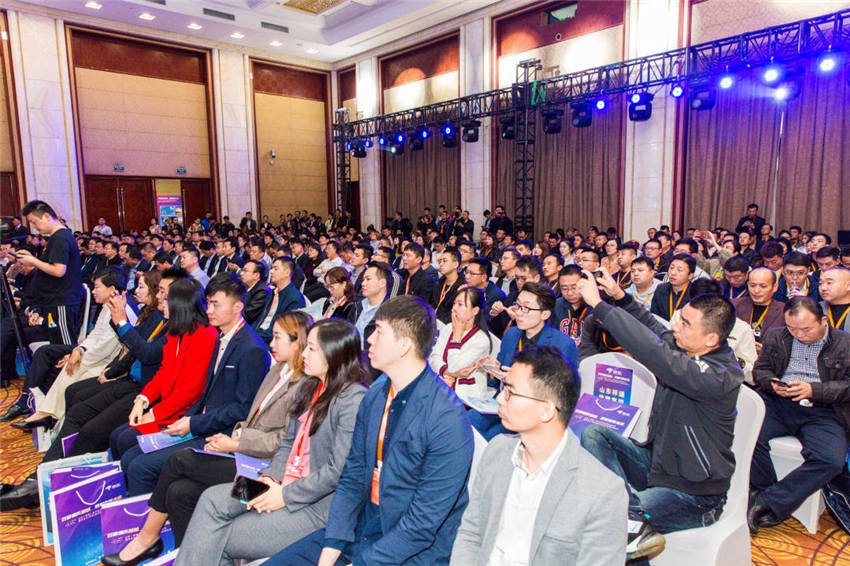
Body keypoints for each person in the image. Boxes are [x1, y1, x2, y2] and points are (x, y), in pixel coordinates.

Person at [270, 296, 473, 565]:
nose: (369, 340)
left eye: (379, 331)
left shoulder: (447, 419)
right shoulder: (376, 395)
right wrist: (332, 545)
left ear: (404, 345)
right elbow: (353, 476)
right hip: (361, 530)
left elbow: (422, 525)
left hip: (408, 551)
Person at [102, 313, 314, 564]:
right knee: (178, 492)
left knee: (179, 461)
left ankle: (147, 538)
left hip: (262, 479)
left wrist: (236, 442)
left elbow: (284, 442)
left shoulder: (305, 385)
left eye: (277, 337)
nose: (271, 343)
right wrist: (235, 437)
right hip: (244, 458)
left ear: (297, 342)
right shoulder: (279, 370)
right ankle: (189, 557)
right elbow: (252, 417)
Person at [171, 319, 368, 566]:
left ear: (334, 353)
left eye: (311, 349)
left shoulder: (353, 400)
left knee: (215, 534)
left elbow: (336, 471)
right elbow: (287, 443)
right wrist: (270, 478)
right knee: (212, 499)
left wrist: (284, 495)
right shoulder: (309, 387)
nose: (303, 354)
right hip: (280, 483)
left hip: (314, 505)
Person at [578, 268, 742, 561]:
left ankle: (627, 517)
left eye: (686, 324)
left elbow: (655, 352)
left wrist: (600, 307)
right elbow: (656, 330)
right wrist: (621, 298)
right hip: (658, 466)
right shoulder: (690, 351)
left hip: (694, 495)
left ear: (711, 339)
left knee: (606, 522)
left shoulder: (717, 375)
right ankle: (631, 517)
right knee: (595, 435)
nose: (676, 326)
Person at [0, 270, 166, 510]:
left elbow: (144, 353)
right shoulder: (153, 316)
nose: (158, 297)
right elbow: (130, 352)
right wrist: (111, 368)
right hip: (131, 381)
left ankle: (54, 484)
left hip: (143, 391)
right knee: (77, 402)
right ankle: (40, 478)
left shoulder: (167, 323)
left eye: (161, 293)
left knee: (90, 426)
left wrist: (119, 324)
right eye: (160, 292)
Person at [450, 346, 628, 566]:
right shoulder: (497, 451)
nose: (500, 399)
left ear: (546, 410)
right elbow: (471, 533)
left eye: (510, 392)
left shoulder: (602, 492)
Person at [117, 273, 270, 495]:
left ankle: (143, 516)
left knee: (140, 466)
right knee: (131, 455)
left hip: (220, 433)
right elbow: (203, 392)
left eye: (216, 304)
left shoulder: (251, 349)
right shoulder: (221, 338)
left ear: (237, 307)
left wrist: (192, 423)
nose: (209, 310)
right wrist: (186, 420)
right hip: (200, 422)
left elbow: (242, 409)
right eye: (208, 303)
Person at [748, 297, 850, 533]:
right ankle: (763, 493)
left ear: (823, 321)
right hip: (779, 403)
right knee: (748, 435)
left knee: (831, 460)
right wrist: (772, 384)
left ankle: (767, 501)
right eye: (792, 329)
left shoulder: (844, 343)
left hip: (823, 410)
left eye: (806, 329)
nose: (799, 335)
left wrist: (815, 390)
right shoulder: (776, 336)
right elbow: (760, 370)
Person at [13, 267, 137, 430]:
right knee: (70, 361)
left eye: (97, 287)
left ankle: (53, 417)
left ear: (112, 289)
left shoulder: (121, 308)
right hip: (101, 355)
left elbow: (104, 347)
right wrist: (79, 350)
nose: (93, 291)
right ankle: (47, 414)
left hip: (113, 363)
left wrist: (79, 355)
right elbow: (96, 335)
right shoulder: (109, 305)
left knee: (73, 367)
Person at [15, 200, 84, 346]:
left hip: (62, 301)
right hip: (54, 301)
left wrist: (33, 261)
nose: (34, 227)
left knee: (64, 347)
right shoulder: (57, 237)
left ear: (47, 216)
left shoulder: (60, 237)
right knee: (57, 346)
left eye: (34, 222)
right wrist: (32, 259)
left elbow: (58, 270)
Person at [428, 286, 493, 402]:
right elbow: (433, 358)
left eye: (460, 304)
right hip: (440, 386)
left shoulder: (481, 340)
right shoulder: (448, 328)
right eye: (454, 303)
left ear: (475, 311)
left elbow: (455, 366)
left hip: (466, 397)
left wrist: (457, 336)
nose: (454, 308)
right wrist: (448, 372)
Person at [253, 257, 306, 344]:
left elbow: (283, 329)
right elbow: (259, 318)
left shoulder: (295, 298)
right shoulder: (272, 293)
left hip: (273, 341)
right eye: (272, 268)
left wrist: (253, 336)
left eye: (276, 269)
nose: (271, 271)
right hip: (260, 335)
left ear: (287, 273)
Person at [734, 267, 785, 352]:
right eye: (752, 285)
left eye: (763, 286)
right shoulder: (734, 306)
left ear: (774, 287)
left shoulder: (784, 312)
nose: (756, 291)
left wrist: (766, 351)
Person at [552, 265, 592, 347]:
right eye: (564, 289)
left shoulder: (594, 306)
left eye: (574, 288)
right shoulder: (554, 307)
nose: (569, 293)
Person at [649, 253, 694, 322]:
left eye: (679, 270)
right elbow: (654, 315)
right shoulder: (661, 288)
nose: (673, 273)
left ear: (690, 275)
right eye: (671, 268)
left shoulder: (695, 293)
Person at [431, 248, 464, 324]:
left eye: (445, 261)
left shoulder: (462, 287)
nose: (441, 264)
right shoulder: (438, 283)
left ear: (455, 264)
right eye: (440, 261)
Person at [819, 267, 850, 331]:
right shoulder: (814, 308)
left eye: (829, 283)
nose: (823, 288)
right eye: (820, 283)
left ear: (848, 286)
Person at [241, 259, 270, 325]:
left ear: (256, 275)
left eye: (245, 271)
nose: (241, 273)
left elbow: (247, 315)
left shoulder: (262, 292)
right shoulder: (245, 287)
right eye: (242, 270)